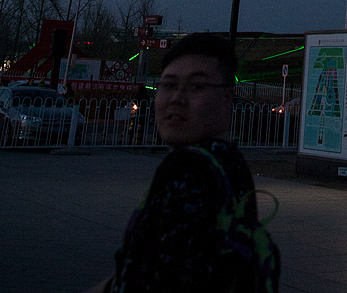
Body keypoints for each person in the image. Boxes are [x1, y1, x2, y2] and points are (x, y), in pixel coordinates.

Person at [79, 32, 279, 291]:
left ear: (227, 98)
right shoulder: (229, 162)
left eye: (196, 86)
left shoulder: (187, 168)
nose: (176, 98)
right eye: (169, 85)